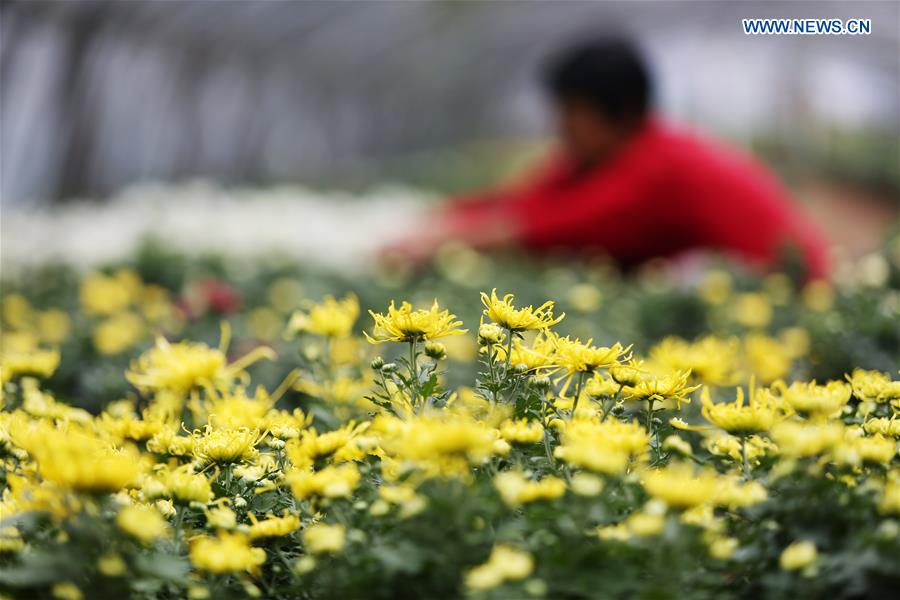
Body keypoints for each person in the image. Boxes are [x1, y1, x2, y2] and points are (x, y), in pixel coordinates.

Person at [389, 38, 829, 279]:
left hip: (790, 289)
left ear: (616, 113)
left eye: (570, 114)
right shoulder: (615, 151)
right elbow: (529, 198)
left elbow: (545, 225)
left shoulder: (660, 168)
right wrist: (437, 217)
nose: (559, 127)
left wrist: (428, 243)